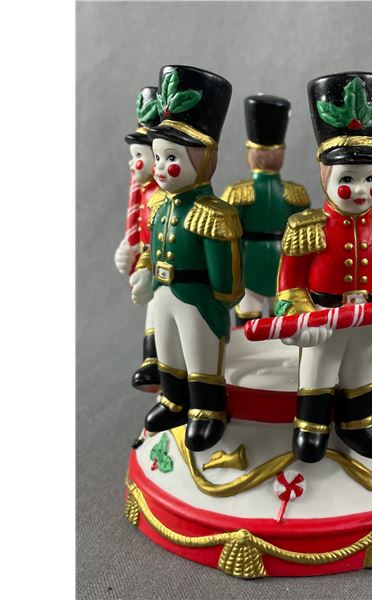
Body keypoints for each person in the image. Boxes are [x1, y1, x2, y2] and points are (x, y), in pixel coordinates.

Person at [275, 72, 372, 463]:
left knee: (363, 368)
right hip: (325, 317)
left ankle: (356, 422)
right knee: (319, 370)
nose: (361, 191)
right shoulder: (307, 227)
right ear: (326, 176)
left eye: (370, 179)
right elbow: (289, 286)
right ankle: (311, 425)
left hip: (370, 316)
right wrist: (301, 316)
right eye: (348, 180)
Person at [130, 65, 244, 451]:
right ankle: (174, 400)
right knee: (167, 349)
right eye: (158, 157)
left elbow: (228, 281)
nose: (161, 169)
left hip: (197, 298)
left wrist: (222, 298)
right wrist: (145, 273)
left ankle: (208, 410)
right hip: (164, 291)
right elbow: (151, 248)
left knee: (200, 354)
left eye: (172, 158)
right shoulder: (159, 206)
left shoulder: (214, 213)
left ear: (203, 159)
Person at [222, 95, 310, 325]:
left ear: (250, 152)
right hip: (282, 262)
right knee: (278, 319)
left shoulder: (238, 193)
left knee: (248, 321)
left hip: (249, 261)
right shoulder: (295, 194)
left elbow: (230, 237)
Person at [114, 87, 164, 392]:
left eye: (139, 156)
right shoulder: (142, 193)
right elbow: (138, 229)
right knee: (154, 310)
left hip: (165, 262)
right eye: (133, 156)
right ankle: (152, 360)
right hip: (148, 259)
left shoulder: (163, 195)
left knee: (159, 310)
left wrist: (147, 264)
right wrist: (127, 249)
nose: (134, 164)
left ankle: (160, 361)